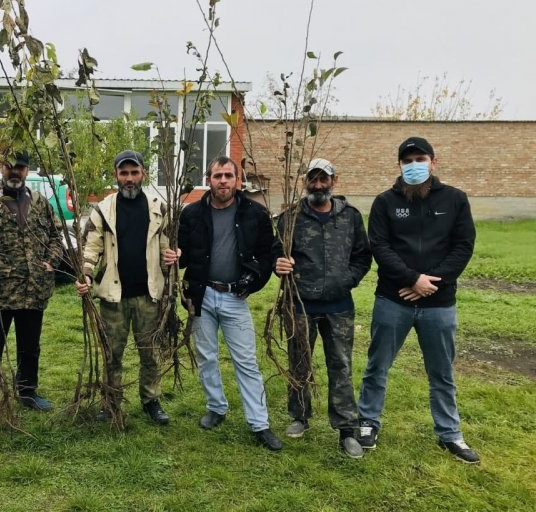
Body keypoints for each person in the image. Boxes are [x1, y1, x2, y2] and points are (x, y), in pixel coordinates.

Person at [357, 137, 479, 464]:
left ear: (433, 162)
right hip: (393, 300)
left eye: (420, 158)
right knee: (377, 366)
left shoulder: (455, 200)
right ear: (399, 165)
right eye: (407, 160)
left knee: (441, 372)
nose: (414, 165)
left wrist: (430, 284)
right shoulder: (384, 202)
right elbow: (380, 247)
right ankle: (368, 421)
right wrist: (412, 279)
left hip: (439, 304)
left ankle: (450, 433)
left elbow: (463, 247)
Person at [173, 155, 282, 451]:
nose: (223, 181)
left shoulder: (254, 214)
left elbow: (267, 254)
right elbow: (181, 252)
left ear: (237, 180)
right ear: (208, 180)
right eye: (217, 175)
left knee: (246, 361)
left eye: (228, 176)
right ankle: (216, 407)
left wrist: (254, 280)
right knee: (206, 355)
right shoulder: (192, 214)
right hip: (202, 294)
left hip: (236, 296)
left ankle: (260, 423)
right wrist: (174, 256)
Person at [272, 158, 371, 459]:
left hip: (339, 306)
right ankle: (299, 416)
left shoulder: (350, 217)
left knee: (341, 365)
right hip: (300, 304)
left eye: (323, 179)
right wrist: (279, 266)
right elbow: (276, 257)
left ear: (334, 181)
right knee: (299, 361)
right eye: (312, 179)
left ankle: (346, 429)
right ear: (305, 182)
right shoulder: (289, 219)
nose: (317, 185)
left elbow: (363, 256)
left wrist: (347, 281)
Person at [0, 152, 63, 421]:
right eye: (9, 167)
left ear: (28, 170)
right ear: (0, 168)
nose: (14, 172)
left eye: (20, 167)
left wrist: (52, 260)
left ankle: (27, 391)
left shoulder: (41, 203)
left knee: (30, 346)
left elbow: (56, 236)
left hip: (34, 288)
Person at [75, 150, 172, 425]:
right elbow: (90, 248)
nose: (129, 179)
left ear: (143, 173)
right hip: (113, 297)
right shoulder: (103, 210)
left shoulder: (158, 207)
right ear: (116, 175)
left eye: (134, 172)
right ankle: (111, 402)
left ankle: (151, 400)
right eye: (123, 173)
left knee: (150, 353)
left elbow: (168, 249)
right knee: (112, 353)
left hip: (149, 295)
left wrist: (172, 263)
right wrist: (86, 275)